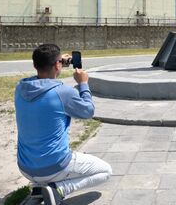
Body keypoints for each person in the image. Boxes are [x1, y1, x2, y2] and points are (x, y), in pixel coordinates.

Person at [15, 44, 112, 204]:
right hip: (54, 166)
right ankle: (59, 190)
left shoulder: (20, 88)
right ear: (57, 65)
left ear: (34, 65)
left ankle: (40, 189)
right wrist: (83, 84)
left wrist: (58, 63)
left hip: (25, 167)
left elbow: (43, 81)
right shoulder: (63, 92)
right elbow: (88, 111)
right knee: (105, 171)